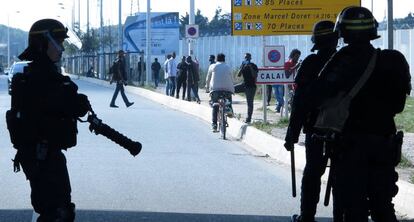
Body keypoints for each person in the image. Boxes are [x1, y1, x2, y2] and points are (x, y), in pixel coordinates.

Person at [308, 6, 411, 221]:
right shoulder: (394, 60)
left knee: (352, 207)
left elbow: (318, 96)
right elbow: (399, 106)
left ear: (343, 32)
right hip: (385, 142)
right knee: (383, 205)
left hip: (350, 145)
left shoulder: (342, 59)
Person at [7, 19, 92, 222]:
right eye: (59, 42)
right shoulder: (43, 78)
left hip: (39, 156)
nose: (62, 48)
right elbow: (72, 105)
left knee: (53, 209)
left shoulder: (35, 75)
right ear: (44, 43)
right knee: (57, 213)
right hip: (44, 157)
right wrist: (78, 101)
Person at [284, 20, 341, 222]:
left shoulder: (310, 63)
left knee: (312, 173)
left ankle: (307, 216)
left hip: (316, 128)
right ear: (336, 39)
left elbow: (300, 102)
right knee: (342, 175)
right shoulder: (347, 61)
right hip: (346, 130)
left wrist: (292, 133)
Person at [205, 53, 234, 132]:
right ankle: (229, 109)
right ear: (224, 59)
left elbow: (208, 78)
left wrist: (207, 87)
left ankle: (214, 125)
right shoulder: (228, 67)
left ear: (216, 59)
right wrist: (232, 88)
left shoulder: (212, 66)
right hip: (227, 89)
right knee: (228, 99)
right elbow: (232, 78)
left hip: (215, 89)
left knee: (215, 105)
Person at [234, 52, 258, 123]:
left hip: (251, 86)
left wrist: (250, 67)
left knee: (250, 103)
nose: (246, 59)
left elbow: (255, 75)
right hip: (244, 85)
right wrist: (241, 67)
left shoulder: (253, 65)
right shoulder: (243, 65)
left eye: (248, 58)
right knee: (230, 89)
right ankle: (229, 109)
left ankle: (248, 118)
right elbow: (238, 75)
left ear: (250, 58)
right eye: (245, 58)